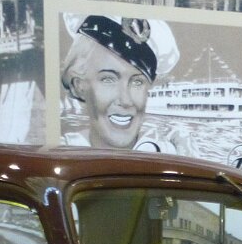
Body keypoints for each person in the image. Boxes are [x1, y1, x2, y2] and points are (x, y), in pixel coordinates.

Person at [60, 15, 178, 151]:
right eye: (108, 79)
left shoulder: (169, 153)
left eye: (137, 82)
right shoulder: (59, 153)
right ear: (79, 86)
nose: (126, 101)